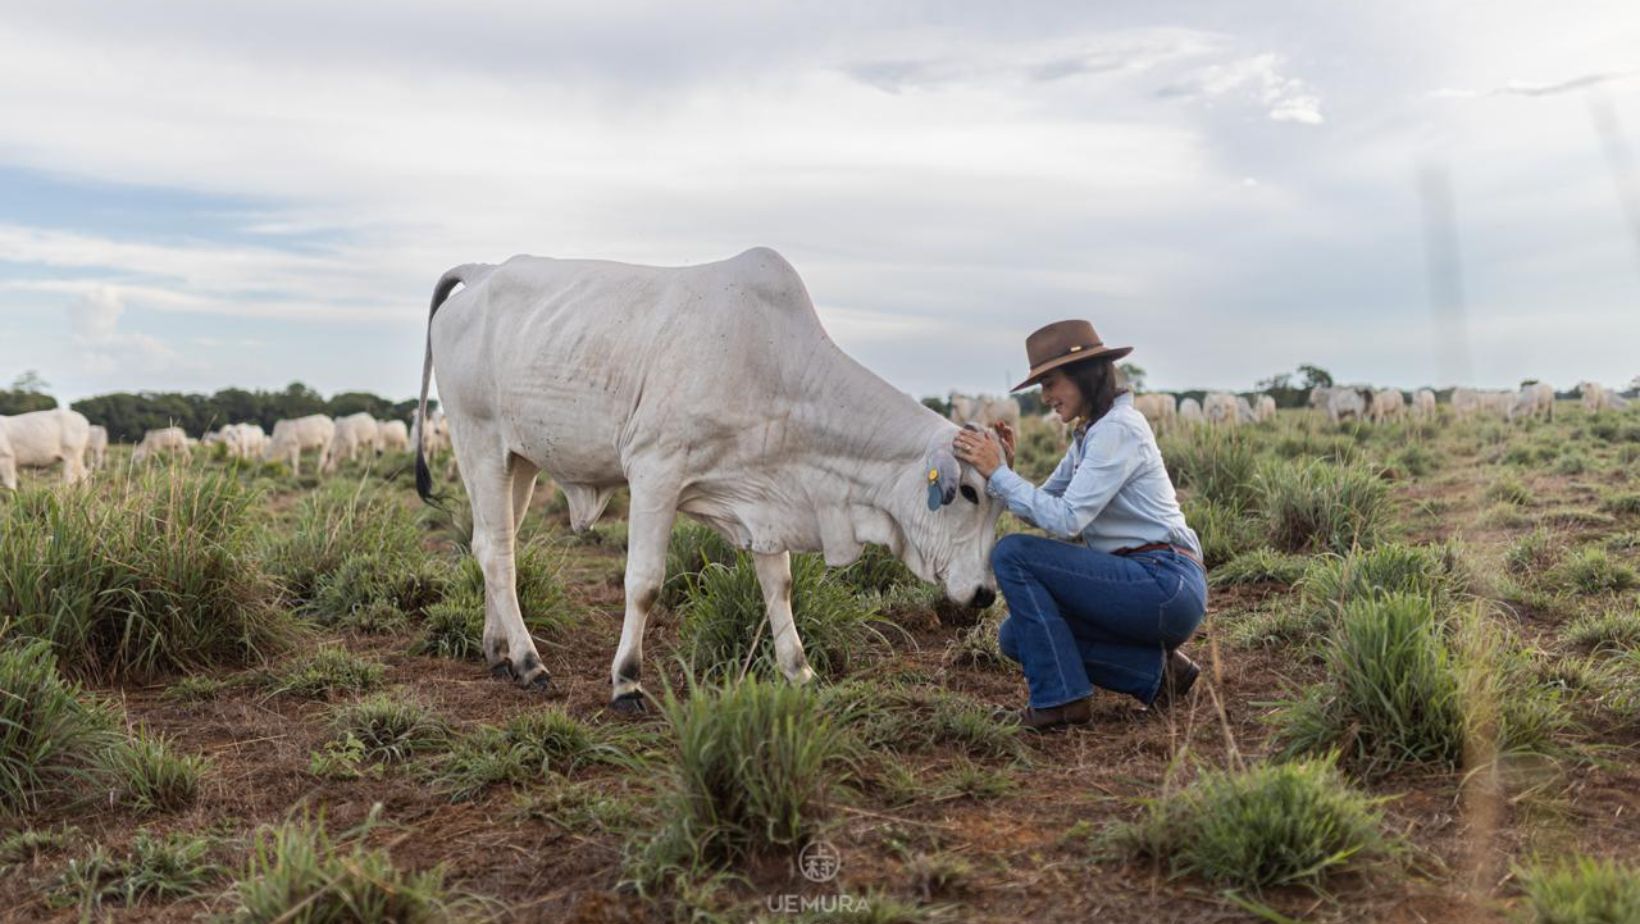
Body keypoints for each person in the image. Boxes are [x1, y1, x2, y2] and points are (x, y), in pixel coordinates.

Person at [951, 320, 1208, 731]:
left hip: (1164, 584)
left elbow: (1066, 520)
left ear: (1085, 375)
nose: (1045, 397)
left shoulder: (1116, 430)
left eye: (1051, 383)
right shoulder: (1090, 435)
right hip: (1143, 583)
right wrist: (1006, 472)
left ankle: (1061, 700)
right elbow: (1043, 508)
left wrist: (999, 474)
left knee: (1012, 553)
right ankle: (1159, 675)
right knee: (1016, 636)